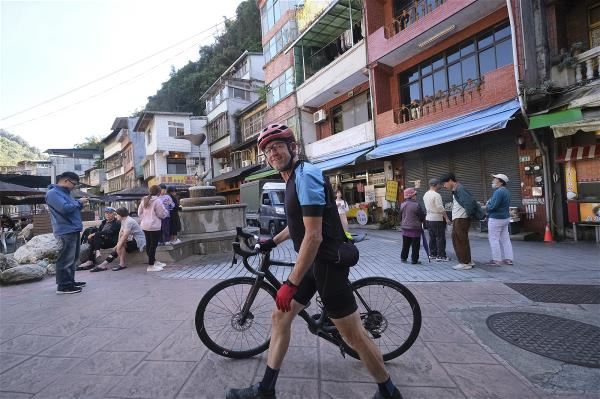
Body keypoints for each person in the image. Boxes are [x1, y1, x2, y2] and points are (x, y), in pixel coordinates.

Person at [226, 124, 403, 399]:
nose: (273, 153)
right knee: (280, 317)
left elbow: (313, 236)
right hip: (313, 264)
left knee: (354, 336)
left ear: (292, 148)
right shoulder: (291, 178)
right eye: (267, 150)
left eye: (278, 146)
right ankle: (265, 391)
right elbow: (298, 223)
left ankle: (389, 391)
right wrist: (271, 242)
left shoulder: (305, 176)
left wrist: (291, 282)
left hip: (327, 265)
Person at [45, 171, 89, 294]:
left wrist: (80, 204)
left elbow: (72, 208)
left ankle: (70, 281)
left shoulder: (66, 193)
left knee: (73, 258)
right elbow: (64, 209)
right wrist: (79, 202)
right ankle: (63, 286)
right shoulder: (53, 193)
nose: (74, 187)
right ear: (66, 180)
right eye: (73, 184)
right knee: (65, 259)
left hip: (73, 229)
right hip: (64, 230)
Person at [440, 173, 485, 271]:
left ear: (450, 180)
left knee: (459, 241)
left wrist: (469, 215)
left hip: (461, 218)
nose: (444, 186)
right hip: (460, 218)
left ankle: (465, 263)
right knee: (461, 240)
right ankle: (467, 261)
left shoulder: (460, 189)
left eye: (445, 183)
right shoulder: (457, 189)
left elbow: (469, 203)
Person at [138, 185, 169, 272]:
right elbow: (161, 214)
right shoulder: (157, 201)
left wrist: (145, 218)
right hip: (154, 226)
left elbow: (139, 213)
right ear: (159, 192)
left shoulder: (144, 199)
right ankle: (151, 266)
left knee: (149, 244)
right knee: (153, 246)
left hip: (145, 225)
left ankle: (154, 262)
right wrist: (166, 212)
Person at [485, 174, 513, 266]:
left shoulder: (498, 192)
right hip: (505, 218)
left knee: (494, 239)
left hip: (496, 218)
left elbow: (493, 206)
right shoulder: (507, 191)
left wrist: (487, 205)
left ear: (500, 182)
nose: (493, 181)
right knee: (505, 239)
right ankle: (509, 259)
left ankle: (497, 260)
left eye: (495, 179)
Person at [423, 178, 451, 262]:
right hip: (437, 218)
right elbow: (440, 207)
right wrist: (446, 218)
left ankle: (432, 254)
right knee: (440, 237)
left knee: (432, 237)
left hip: (428, 218)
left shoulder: (426, 194)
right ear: (435, 185)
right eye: (439, 184)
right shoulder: (436, 195)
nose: (440, 186)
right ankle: (441, 256)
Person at [400, 187, 425, 265]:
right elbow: (421, 216)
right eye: (415, 194)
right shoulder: (416, 205)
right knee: (415, 245)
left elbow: (400, 216)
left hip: (405, 228)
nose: (416, 196)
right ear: (411, 196)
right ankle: (414, 260)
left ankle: (403, 257)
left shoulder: (402, 204)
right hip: (415, 229)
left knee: (405, 244)